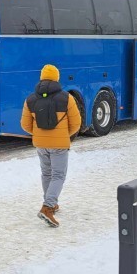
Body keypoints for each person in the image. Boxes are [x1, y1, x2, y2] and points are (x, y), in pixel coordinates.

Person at [20, 64, 82, 227]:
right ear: (57, 78)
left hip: (40, 143)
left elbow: (25, 125)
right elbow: (76, 123)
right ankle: (47, 207)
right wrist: (63, 135)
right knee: (58, 175)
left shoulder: (31, 99)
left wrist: (39, 133)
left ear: (41, 77)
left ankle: (51, 203)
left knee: (47, 173)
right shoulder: (67, 98)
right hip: (59, 143)